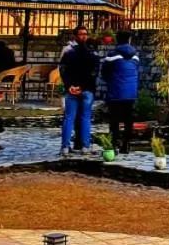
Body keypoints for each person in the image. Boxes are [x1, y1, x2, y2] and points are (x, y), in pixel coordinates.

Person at [58, 26, 98, 156]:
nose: (83, 36)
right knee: (85, 118)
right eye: (82, 34)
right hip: (86, 90)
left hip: (72, 89)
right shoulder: (92, 55)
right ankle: (85, 146)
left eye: (85, 34)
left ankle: (65, 146)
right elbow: (93, 74)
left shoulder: (69, 54)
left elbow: (63, 70)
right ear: (76, 36)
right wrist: (81, 86)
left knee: (69, 118)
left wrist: (70, 85)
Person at [101, 30, 140, 154]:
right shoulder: (135, 56)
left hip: (116, 92)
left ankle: (114, 144)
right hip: (131, 93)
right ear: (129, 40)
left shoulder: (112, 55)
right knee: (128, 119)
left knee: (114, 119)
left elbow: (104, 73)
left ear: (117, 40)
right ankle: (126, 145)